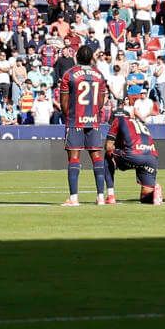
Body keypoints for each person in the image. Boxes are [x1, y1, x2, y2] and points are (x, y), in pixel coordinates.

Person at [60, 42, 112, 206]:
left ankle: (74, 198)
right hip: (94, 120)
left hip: (76, 120)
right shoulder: (99, 75)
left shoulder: (70, 74)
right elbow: (102, 100)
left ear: (76, 57)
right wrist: (94, 111)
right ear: (91, 58)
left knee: (74, 157)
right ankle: (101, 197)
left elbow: (64, 102)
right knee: (97, 156)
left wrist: (69, 116)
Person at [104, 87, 162, 205]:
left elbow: (108, 146)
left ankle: (110, 196)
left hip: (134, 155)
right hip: (152, 157)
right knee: (145, 199)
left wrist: (115, 149)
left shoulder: (118, 120)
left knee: (107, 156)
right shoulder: (138, 123)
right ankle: (154, 192)